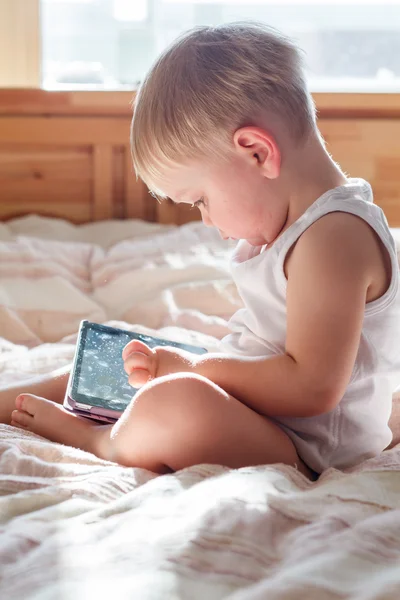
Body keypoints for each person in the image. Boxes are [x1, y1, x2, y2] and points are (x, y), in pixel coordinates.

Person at [4, 23, 400, 479]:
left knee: (174, 400)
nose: (207, 220)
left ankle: (103, 442)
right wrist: (194, 365)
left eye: (200, 200)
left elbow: (312, 388)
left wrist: (199, 367)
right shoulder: (298, 227)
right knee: (110, 364)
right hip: (264, 416)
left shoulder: (333, 239)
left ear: (255, 152)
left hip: (306, 448)